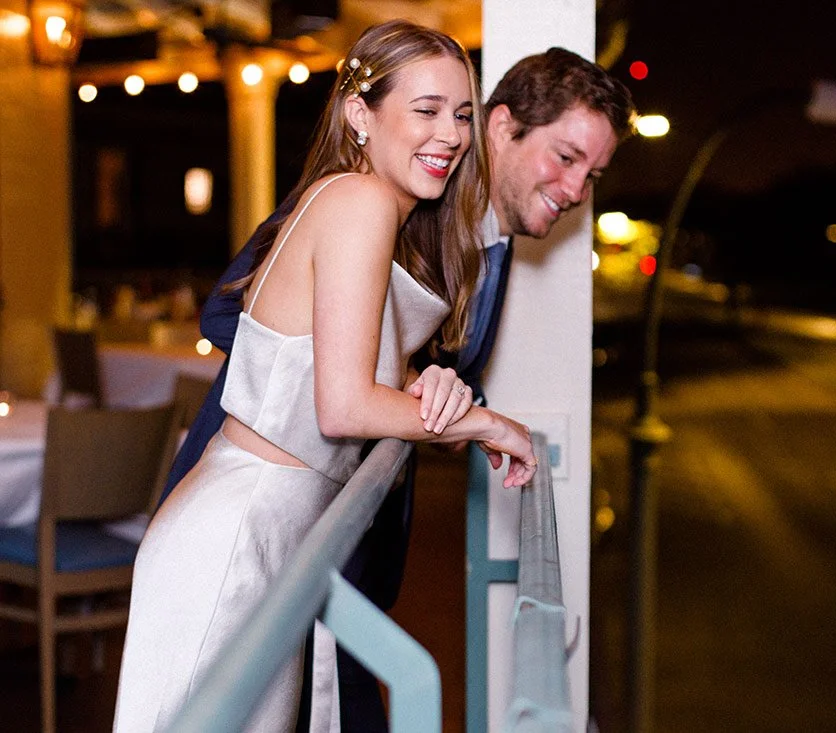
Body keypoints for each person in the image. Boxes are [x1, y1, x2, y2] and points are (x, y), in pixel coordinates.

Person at [156, 43, 635, 733]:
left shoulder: (482, 240)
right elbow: (230, 309)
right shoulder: (380, 199)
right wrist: (406, 380)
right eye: (565, 158)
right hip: (259, 521)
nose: (576, 189)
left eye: (593, 174)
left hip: (341, 539)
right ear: (501, 128)